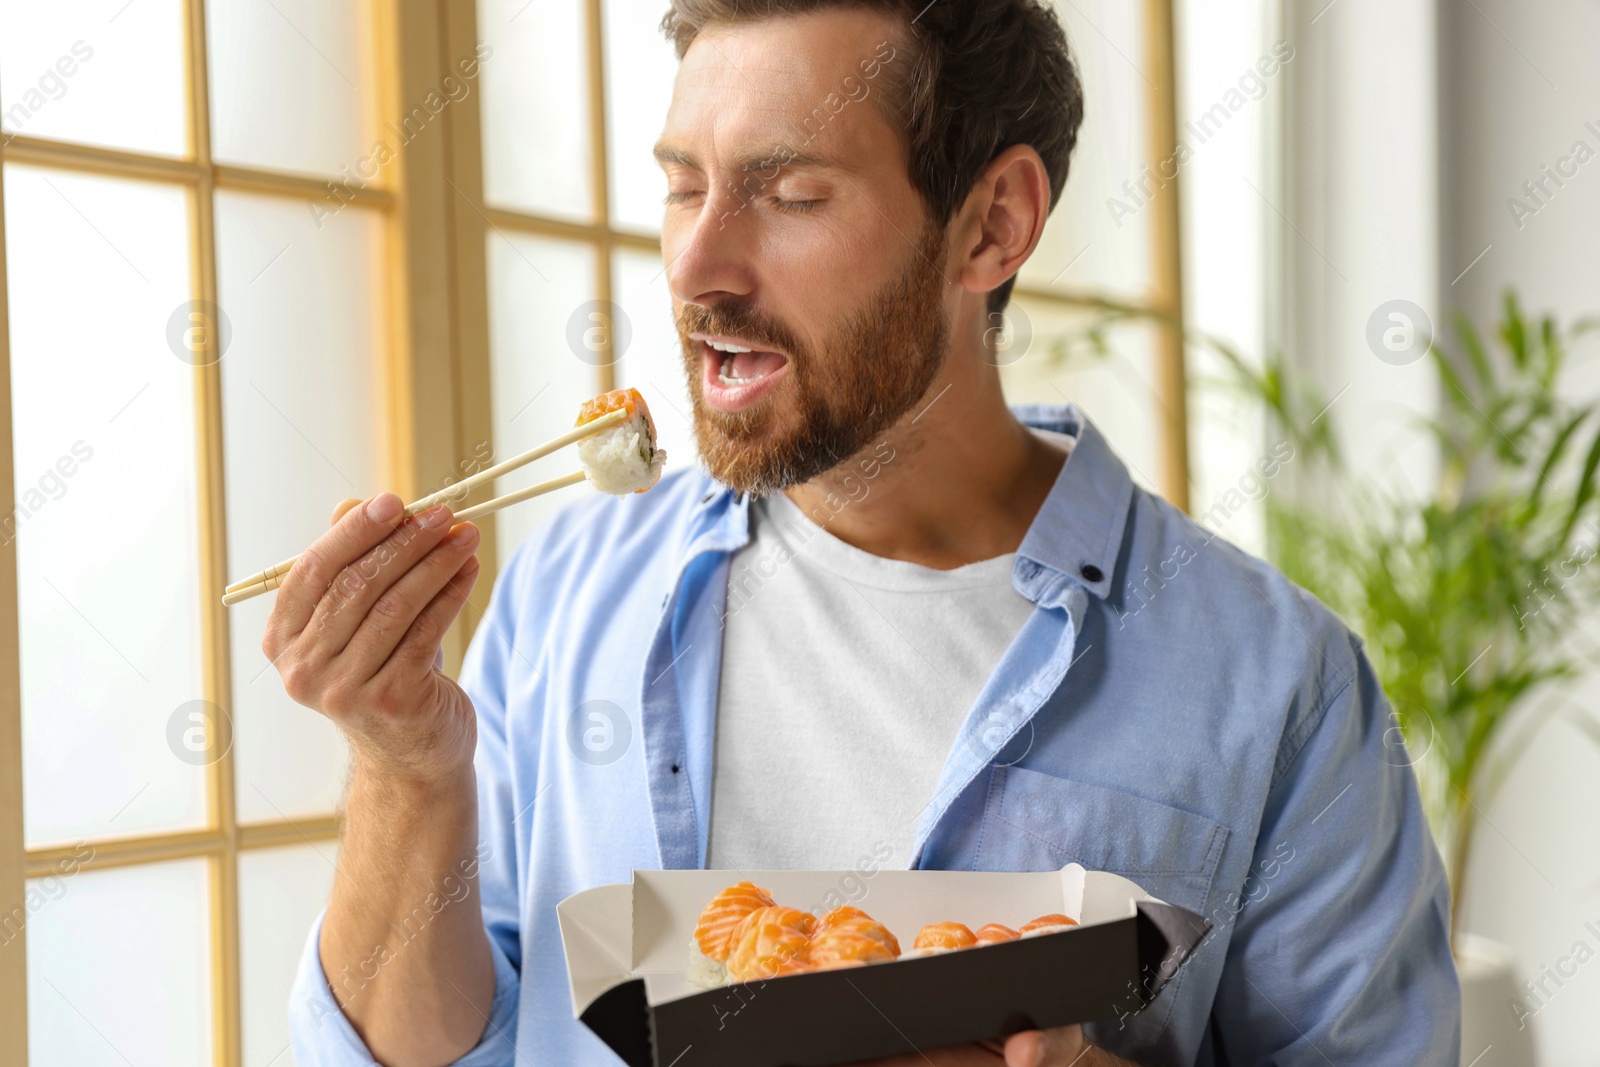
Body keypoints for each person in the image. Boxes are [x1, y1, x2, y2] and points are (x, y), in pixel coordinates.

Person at [275, 1, 1460, 1064]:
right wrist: (404, 769)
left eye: (790, 195)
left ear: (991, 225)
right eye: (685, 184)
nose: (697, 263)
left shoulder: (1276, 683)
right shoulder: (565, 596)